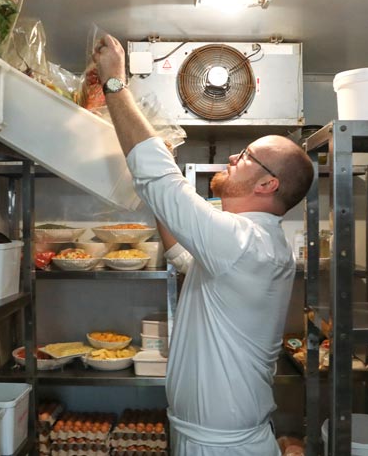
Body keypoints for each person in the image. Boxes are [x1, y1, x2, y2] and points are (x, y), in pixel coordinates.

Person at [93, 34, 314, 456]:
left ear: (268, 183)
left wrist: (116, 82)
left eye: (247, 156)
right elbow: (181, 255)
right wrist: (164, 202)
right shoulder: (245, 244)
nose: (234, 157)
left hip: (224, 447)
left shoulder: (245, 244)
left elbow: (160, 180)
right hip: (207, 439)